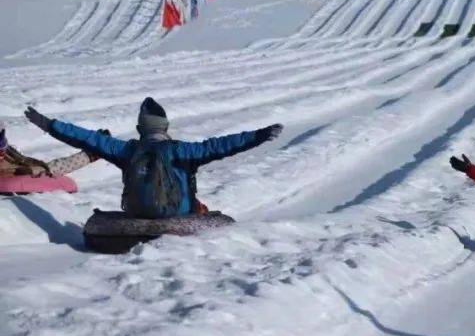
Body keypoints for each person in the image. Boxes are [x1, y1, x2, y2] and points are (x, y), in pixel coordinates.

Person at [24, 98, 282, 218]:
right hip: (176, 213)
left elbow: (86, 138)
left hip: (136, 211)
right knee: (197, 206)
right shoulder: (181, 151)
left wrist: (49, 124)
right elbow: (223, 145)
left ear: (140, 129)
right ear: (166, 128)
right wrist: (260, 134)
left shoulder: (126, 151)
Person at [0, 126, 106, 179]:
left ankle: (93, 151)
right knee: (47, 169)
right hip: (18, 171)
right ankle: (90, 153)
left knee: (50, 167)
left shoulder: (6, 152)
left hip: (18, 165)